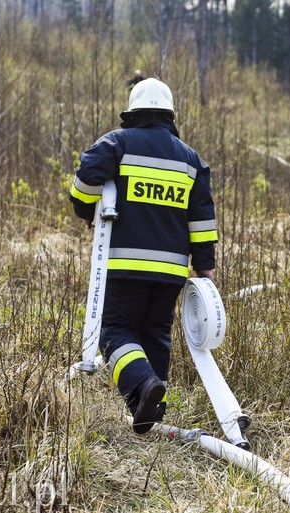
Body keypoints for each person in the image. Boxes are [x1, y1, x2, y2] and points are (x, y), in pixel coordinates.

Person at [69, 78, 218, 434]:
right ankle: (149, 409)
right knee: (155, 334)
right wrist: (205, 266)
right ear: (169, 114)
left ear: (132, 113)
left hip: (124, 265)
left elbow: (84, 179)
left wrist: (86, 207)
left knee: (115, 333)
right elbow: (202, 218)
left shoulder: (117, 144)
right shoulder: (190, 159)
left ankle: (142, 385)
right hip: (169, 271)